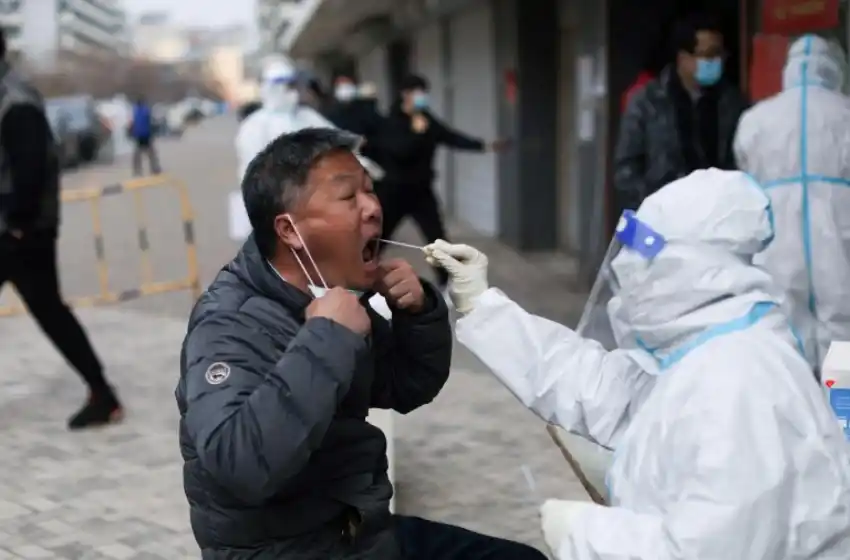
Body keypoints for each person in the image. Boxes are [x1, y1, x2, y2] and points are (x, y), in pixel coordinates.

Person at [426, 168, 850, 559]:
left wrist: (582, 532)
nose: (626, 268)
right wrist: (483, 305)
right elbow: (600, 386)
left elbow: (706, 553)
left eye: (643, 250)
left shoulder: (739, 384)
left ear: (692, 265)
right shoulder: (704, 351)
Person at [177, 127, 547, 559]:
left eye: (371, 191)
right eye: (349, 198)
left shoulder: (333, 293)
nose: (373, 208)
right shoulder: (230, 323)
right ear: (289, 229)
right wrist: (326, 340)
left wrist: (419, 313)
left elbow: (407, 388)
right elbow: (239, 466)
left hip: (358, 533)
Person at [0, 29, 123, 430]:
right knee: (52, 312)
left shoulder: (15, 102)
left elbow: (31, 169)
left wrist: (18, 225)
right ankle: (102, 393)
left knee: (51, 311)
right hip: (17, 228)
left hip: (20, 232)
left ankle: (102, 394)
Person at [734, 34, 850, 373]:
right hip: (838, 238)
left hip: (777, 241)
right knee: (843, 329)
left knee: (782, 329)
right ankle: (844, 418)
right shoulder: (845, 115)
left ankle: (796, 417)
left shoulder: (755, 120)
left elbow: (744, 174)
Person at [377, 74, 505, 289]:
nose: (421, 97)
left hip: (421, 192)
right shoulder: (391, 121)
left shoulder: (426, 119)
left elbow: (450, 136)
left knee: (437, 239)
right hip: (394, 191)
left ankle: (448, 284)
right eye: (417, 92)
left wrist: (485, 145)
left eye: (423, 92)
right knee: (378, 237)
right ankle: (355, 277)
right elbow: (400, 152)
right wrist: (417, 133)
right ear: (405, 94)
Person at [614, 13, 748, 212]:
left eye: (720, 54)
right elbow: (626, 171)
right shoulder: (648, 103)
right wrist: (657, 205)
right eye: (708, 54)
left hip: (719, 217)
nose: (716, 61)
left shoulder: (732, 102)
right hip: (666, 219)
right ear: (683, 57)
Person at [325, 74, 386, 166]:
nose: (344, 88)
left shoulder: (366, 109)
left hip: (370, 160)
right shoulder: (331, 114)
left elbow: (380, 131)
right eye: (340, 85)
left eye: (347, 84)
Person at [129, 95, 162, 176]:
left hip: (138, 135)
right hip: (146, 134)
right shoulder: (146, 110)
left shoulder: (135, 111)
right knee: (151, 153)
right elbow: (151, 122)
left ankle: (137, 170)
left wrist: (132, 132)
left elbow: (132, 123)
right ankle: (155, 168)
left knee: (137, 154)